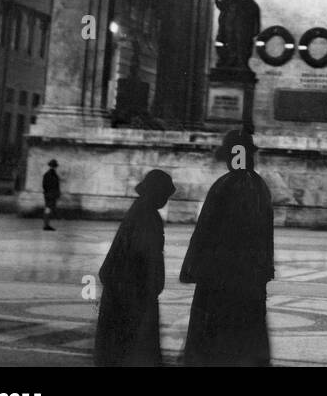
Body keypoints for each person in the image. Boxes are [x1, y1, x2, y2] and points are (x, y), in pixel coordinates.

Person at [180, 129, 275, 366]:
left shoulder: (225, 185)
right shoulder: (259, 187)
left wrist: (193, 268)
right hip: (249, 278)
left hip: (220, 278)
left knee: (215, 339)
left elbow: (205, 232)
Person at [94, 169, 175, 366]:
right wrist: (153, 285)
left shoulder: (139, 209)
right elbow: (149, 257)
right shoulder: (148, 216)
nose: (165, 200)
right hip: (134, 293)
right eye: (164, 195)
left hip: (123, 288)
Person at [213, 0, 261, 69]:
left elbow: (255, 12)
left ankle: (240, 62)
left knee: (241, 45)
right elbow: (222, 6)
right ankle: (233, 61)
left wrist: (256, 27)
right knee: (232, 44)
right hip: (231, 26)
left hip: (241, 27)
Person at [42, 159, 61, 231]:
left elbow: (44, 185)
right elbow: (46, 186)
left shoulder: (47, 174)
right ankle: (46, 225)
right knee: (48, 209)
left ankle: (46, 224)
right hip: (50, 195)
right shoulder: (52, 175)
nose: (54, 167)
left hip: (49, 195)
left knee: (48, 209)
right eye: (53, 166)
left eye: (54, 166)